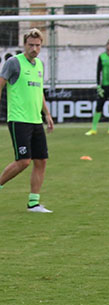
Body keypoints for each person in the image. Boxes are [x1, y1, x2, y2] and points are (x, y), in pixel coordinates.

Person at [0, 28, 55, 213]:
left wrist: (46, 114)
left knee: (41, 161)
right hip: (18, 119)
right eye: (31, 45)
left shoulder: (39, 65)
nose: (34, 49)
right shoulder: (13, 63)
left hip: (35, 120)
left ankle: (34, 203)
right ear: (25, 44)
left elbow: (39, 92)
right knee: (24, 161)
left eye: (38, 45)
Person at [86, 38, 109, 136]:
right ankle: (93, 129)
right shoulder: (102, 57)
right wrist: (98, 86)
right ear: (106, 46)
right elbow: (98, 72)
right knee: (99, 106)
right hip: (104, 86)